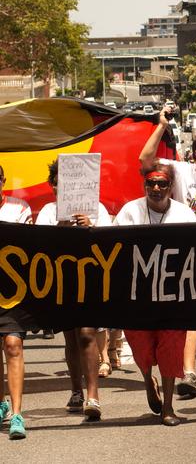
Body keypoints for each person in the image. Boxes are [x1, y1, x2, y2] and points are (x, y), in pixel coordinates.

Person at [140, 104, 196, 396]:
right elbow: (145, 160)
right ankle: (188, 372)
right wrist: (162, 126)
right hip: (181, 252)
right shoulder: (179, 171)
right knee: (192, 312)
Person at [113, 162, 196, 426]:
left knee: (171, 347)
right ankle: (148, 380)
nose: (156, 188)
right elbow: (112, 245)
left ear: (171, 187)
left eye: (162, 183)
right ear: (144, 185)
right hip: (137, 295)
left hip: (173, 295)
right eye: (151, 183)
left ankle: (169, 408)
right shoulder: (130, 211)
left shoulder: (184, 214)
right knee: (141, 347)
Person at [36, 159, 113, 421]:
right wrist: (60, 230)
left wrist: (91, 228)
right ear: (53, 186)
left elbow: (113, 243)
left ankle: (94, 395)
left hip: (90, 280)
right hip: (63, 282)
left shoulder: (97, 209)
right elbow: (37, 248)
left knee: (88, 333)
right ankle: (76, 390)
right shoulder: (48, 211)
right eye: (59, 183)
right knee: (71, 338)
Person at [0, 164, 31, 439]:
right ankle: (1, 404)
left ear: (3, 181)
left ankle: (17, 414)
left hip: (12, 292)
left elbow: (27, 244)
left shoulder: (18, 207)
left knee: (13, 344)